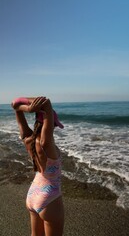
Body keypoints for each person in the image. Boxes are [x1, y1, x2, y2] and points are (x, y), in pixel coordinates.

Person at [11, 96, 64, 236]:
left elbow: (15, 106)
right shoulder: (47, 145)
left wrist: (27, 108)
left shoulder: (28, 139)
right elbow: (46, 103)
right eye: (54, 124)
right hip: (49, 197)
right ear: (51, 123)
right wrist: (35, 108)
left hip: (33, 194)